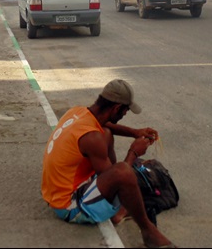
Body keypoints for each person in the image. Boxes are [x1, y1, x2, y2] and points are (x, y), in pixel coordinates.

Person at [41, 79, 176, 249]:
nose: (125, 114)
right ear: (117, 108)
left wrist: (135, 132)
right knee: (123, 172)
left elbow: (106, 124)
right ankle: (148, 230)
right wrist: (133, 152)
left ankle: (122, 206)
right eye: (126, 110)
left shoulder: (78, 112)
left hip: (57, 191)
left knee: (106, 132)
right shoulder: (92, 138)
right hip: (68, 206)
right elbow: (120, 175)